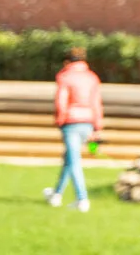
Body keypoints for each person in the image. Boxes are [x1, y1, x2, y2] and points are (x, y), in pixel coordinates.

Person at [44, 47, 102, 212]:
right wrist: (97, 126)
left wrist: (60, 119)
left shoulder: (65, 77)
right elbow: (96, 103)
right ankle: (56, 194)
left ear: (67, 61)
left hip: (71, 122)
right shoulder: (92, 78)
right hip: (88, 121)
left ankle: (82, 198)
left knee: (74, 160)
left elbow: (61, 101)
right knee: (69, 159)